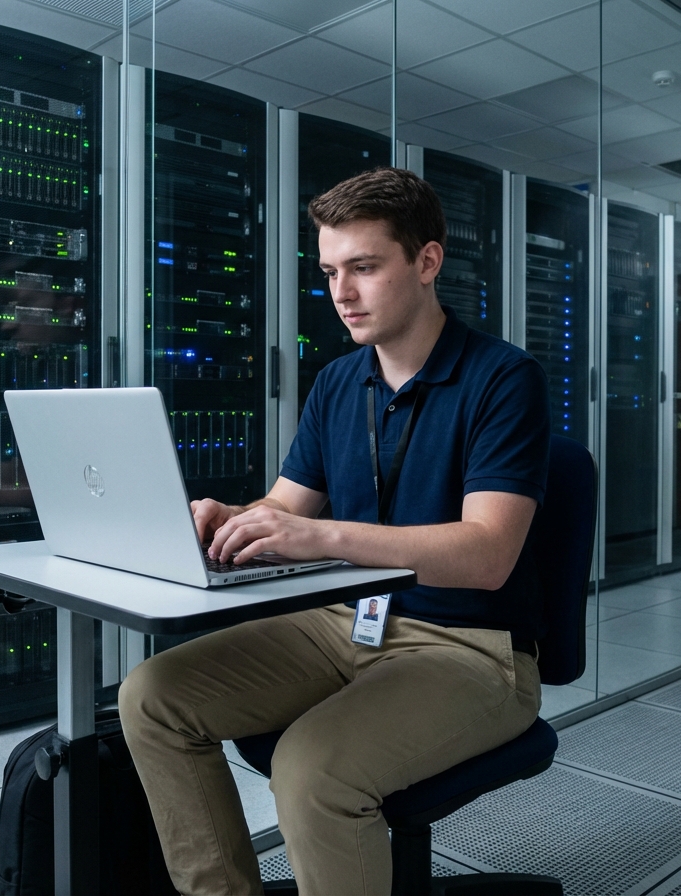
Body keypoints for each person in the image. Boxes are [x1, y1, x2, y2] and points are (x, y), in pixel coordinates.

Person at [119, 166, 550, 896]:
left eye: (364, 268)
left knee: (310, 770)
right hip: (344, 623)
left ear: (427, 261)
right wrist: (233, 519)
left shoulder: (504, 379)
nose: (341, 293)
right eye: (328, 272)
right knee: (152, 696)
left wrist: (322, 537)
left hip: (470, 649)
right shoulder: (337, 383)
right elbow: (285, 505)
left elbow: (487, 555)